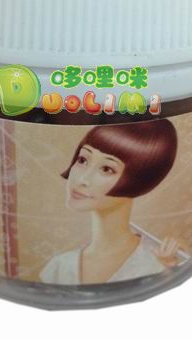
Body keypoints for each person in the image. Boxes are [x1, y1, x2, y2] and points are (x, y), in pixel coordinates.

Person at [39, 119, 180, 285]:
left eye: (106, 169)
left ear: (140, 182)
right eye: (83, 160)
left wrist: (168, 270)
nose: (82, 179)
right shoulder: (59, 267)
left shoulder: (159, 264)